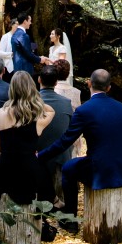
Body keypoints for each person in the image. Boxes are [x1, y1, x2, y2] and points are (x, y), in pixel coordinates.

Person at [37, 69, 122, 233]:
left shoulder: (84, 110)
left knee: (68, 168)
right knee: (76, 165)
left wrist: (41, 155)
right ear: (109, 88)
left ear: (89, 83)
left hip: (98, 167)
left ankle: (70, 219)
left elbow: (65, 141)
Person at [0, 71, 55, 206]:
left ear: (11, 89)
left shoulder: (0, 113)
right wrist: (33, 101)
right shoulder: (36, 118)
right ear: (31, 89)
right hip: (29, 170)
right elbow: (51, 111)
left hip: (5, 169)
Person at [37, 66, 73, 202]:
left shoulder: (30, 102)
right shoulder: (66, 103)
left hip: (37, 156)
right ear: (56, 82)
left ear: (39, 80)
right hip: (60, 157)